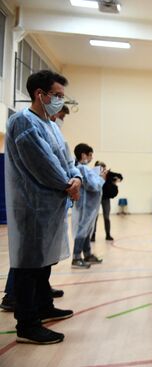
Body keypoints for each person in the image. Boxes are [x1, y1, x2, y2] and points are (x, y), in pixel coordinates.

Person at [5, 70, 81, 344]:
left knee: (44, 262)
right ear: (41, 94)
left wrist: (76, 177)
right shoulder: (23, 122)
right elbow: (43, 165)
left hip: (52, 204)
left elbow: (68, 159)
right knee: (29, 265)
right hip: (32, 205)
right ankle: (27, 323)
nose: (60, 101)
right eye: (57, 96)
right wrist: (67, 184)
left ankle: (44, 306)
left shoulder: (51, 124)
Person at [72, 143, 106, 268]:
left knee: (87, 230)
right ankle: (76, 257)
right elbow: (93, 186)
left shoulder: (83, 168)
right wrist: (102, 178)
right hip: (85, 206)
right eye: (90, 155)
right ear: (83, 155)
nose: (91, 157)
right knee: (82, 230)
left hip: (89, 206)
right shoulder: (82, 169)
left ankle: (87, 254)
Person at [91, 161, 123, 242]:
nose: (103, 170)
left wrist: (117, 180)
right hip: (96, 197)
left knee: (106, 217)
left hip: (105, 198)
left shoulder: (108, 174)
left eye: (104, 168)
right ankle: (93, 235)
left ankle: (108, 235)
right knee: (94, 217)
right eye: (101, 168)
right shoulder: (93, 174)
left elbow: (119, 176)